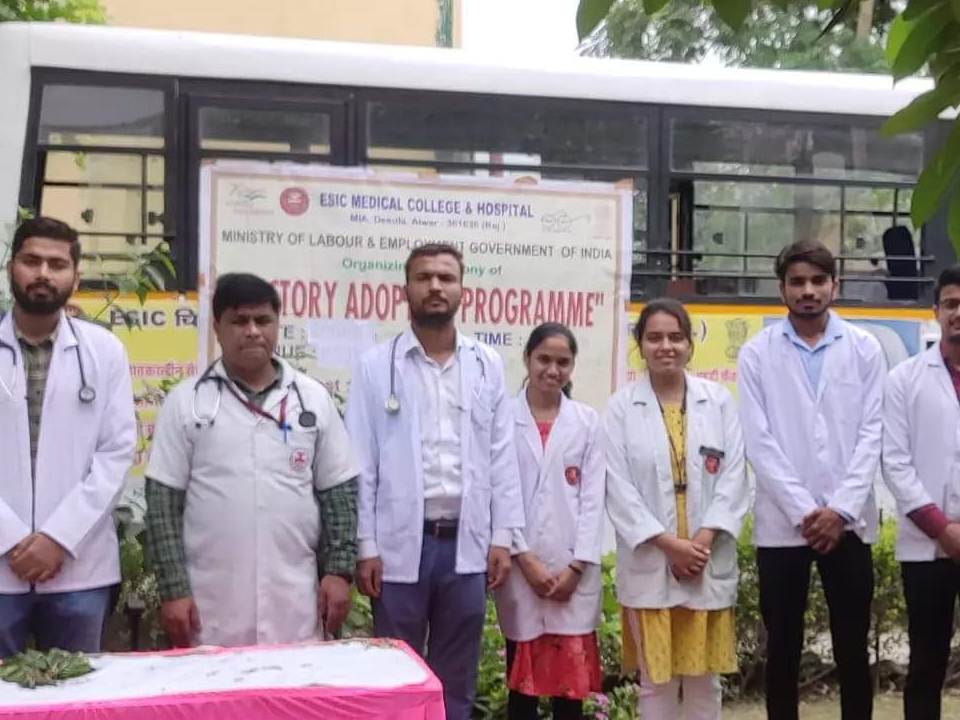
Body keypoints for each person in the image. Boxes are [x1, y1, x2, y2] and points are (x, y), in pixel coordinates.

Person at [345, 243, 523, 720]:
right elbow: (361, 462)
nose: (436, 286)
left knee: (455, 680)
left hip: (465, 547)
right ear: (406, 290)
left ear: (463, 289)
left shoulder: (486, 363)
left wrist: (502, 536)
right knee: (396, 676)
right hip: (399, 547)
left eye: (446, 277)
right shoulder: (376, 366)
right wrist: (366, 546)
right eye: (424, 277)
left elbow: (501, 455)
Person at [144, 273, 358, 648]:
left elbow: (338, 493)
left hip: (295, 596)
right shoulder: (186, 402)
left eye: (263, 320)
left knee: (293, 682)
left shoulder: (312, 399)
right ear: (217, 327)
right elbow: (163, 504)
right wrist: (173, 589)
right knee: (213, 683)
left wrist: (339, 572)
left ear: (277, 324)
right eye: (239, 321)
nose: (253, 331)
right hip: (210, 599)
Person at [737, 239, 884, 720]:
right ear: (782, 288)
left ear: (834, 286)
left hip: (848, 524)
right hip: (785, 526)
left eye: (818, 281)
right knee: (782, 648)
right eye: (797, 282)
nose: (808, 291)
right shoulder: (756, 354)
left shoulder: (864, 349)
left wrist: (839, 510)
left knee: (852, 648)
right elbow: (759, 441)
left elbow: (872, 433)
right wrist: (806, 511)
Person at [605, 298, 748, 720]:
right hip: (653, 558)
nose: (665, 346)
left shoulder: (717, 401)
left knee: (705, 681)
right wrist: (670, 546)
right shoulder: (621, 408)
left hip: (707, 557)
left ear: (690, 343)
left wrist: (700, 543)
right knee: (656, 681)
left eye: (675, 337)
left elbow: (735, 476)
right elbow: (618, 487)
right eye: (654, 338)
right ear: (640, 345)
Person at [0, 216, 136, 657]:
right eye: (32, 261)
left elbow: (116, 453)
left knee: (78, 689)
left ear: (75, 277)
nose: (43, 273)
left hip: (78, 568)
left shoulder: (105, 352)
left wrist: (57, 538)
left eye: (57, 264)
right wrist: (10, 537)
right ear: (11, 268)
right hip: (1, 564)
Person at [493, 323, 605, 720]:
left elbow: (594, 500)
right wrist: (525, 558)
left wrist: (577, 567)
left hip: (572, 571)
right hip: (520, 569)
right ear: (527, 359)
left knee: (569, 692)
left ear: (572, 366)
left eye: (563, 362)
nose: (552, 370)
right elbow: (498, 491)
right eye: (544, 359)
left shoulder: (588, 422)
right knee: (521, 690)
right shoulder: (502, 419)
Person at [882, 264, 960, 720]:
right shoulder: (904, 379)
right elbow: (895, 462)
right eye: (951, 303)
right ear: (936, 312)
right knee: (926, 662)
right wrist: (942, 528)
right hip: (926, 546)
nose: (958, 313)